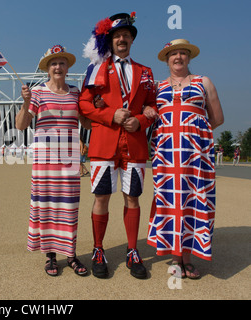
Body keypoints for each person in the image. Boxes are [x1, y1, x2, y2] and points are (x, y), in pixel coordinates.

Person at [79, 12, 158, 279]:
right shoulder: (97, 67)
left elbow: (153, 106)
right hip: (104, 143)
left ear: (131, 40)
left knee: (132, 197)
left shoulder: (145, 72)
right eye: (117, 36)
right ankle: (98, 249)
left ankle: (133, 251)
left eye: (126, 35)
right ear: (110, 40)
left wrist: (140, 122)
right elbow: (84, 104)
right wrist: (109, 115)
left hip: (134, 144)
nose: (122, 39)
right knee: (101, 197)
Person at [147, 39, 224, 279]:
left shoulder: (204, 82)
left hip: (195, 158)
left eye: (182, 53)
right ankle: (174, 257)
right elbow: (148, 114)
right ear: (167, 59)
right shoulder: (157, 87)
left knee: (194, 200)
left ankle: (187, 259)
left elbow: (217, 118)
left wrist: (192, 133)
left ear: (189, 58)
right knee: (170, 202)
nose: (178, 57)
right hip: (167, 158)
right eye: (173, 54)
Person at [16, 45, 91, 277]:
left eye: (61, 63)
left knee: (69, 207)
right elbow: (21, 125)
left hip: (68, 159)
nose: (57, 67)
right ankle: (50, 257)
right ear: (48, 69)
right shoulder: (37, 92)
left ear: (67, 67)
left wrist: (97, 107)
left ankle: (71, 255)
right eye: (53, 63)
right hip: (44, 160)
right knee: (47, 205)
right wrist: (26, 102)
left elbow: (87, 123)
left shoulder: (76, 93)